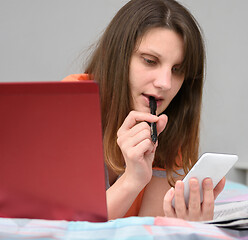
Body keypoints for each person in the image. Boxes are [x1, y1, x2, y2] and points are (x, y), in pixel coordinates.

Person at [63, 0, 225, 221]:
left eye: (177, 70)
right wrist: (132, 180)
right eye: (150, 61)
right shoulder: (71, 102)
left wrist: (189, 225)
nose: (165, 83)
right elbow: (72, 223)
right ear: (118, 57)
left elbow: (148, 226)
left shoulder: (166, 126)